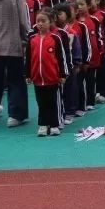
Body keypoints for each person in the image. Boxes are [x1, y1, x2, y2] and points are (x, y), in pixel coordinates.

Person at [26, 9, 68, 137]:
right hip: (38, 78)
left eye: (43, 21)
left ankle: (54, 124)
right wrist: (27, 74)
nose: (40, 24)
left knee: (53, 102)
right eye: (38, 21)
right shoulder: (32, 39)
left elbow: (61, 58)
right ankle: (43, 125)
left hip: (52, 78)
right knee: (41, 102)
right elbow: (27, 58)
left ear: (50, 22)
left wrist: (63, 74)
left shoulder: (55, 38)